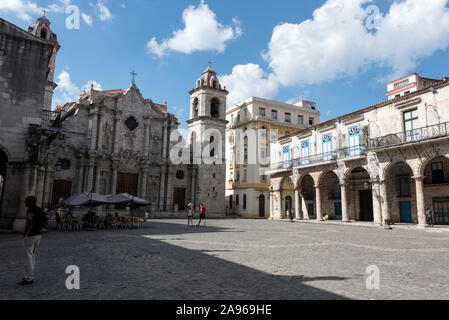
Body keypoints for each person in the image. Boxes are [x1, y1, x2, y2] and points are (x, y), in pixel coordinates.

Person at [18, 196, 47, 286]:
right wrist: (41, 229)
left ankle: (29, 277)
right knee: (32, 255)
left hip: (30, 235)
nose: (25, 203)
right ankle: (30, 275)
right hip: (38, 235)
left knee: (28, 256)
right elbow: (46, 219)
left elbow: (30, 222)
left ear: (30, 202)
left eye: (26, 202)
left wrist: (27, 232)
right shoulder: (40, 210)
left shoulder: (31, 210)